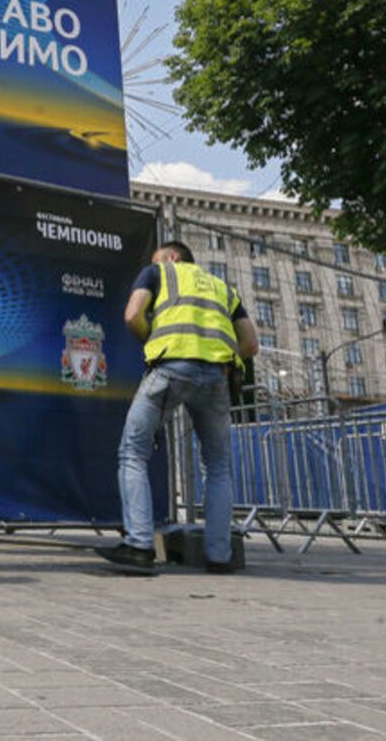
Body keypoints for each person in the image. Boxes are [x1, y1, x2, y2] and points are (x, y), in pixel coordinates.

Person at [97, 240, 259, 575]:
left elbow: (132, 315)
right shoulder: (222, 288)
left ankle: (139, 546)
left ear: (172, 258)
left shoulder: (158, 272)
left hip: (171, 370)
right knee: (217, 466)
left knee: (133, 453)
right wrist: (227, 361)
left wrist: (154, 342)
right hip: (216, 377)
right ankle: (219, 555)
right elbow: (250, 344)